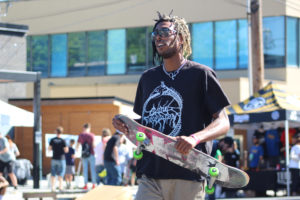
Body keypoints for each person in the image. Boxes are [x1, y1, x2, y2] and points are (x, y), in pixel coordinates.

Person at [112, 12, 230, 200]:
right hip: (149, 173)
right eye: (156, 33)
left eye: (165, 32)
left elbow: (223, 122)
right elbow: (148, 124)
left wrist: (194, 138)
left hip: (188, 174)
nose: (159, 36)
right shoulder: (147, 78)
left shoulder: (202, 75)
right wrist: (126, 125)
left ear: (181, 38)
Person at [76, 123, 96, 190]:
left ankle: (86, 185)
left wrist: (77, 151)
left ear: (83, 128)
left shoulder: (81, 135)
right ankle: (93, 184)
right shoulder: (92, 135)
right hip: (91, 153)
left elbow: (78, 145)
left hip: (84, 154)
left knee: (85, 170)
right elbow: (94, 145)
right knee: (93, 169)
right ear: (89, 128)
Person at [48, 126, 68, 191]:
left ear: (56, 132)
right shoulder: (63, 140)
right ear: (62, 132)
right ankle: (60, 187)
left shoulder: (52, 140)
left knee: (53, 173)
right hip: (61, 158)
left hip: (54, 158)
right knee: (61, 174)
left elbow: (49, 149)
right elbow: (66, 150)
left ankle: (53, 187)